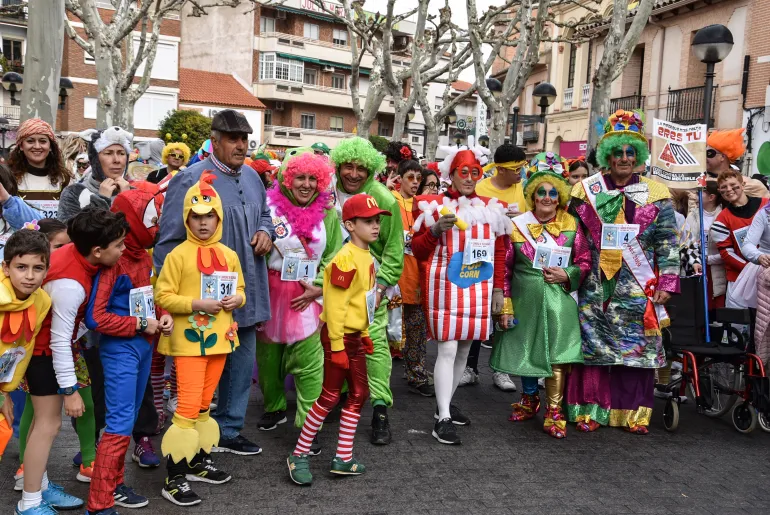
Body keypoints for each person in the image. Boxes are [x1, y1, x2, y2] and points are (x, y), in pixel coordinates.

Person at [155, 109, 274, 456]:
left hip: (244, 287)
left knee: (241, 358)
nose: (240, 146)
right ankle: (192, 431)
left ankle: (230, 429)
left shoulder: (253, 176)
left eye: (245, 139)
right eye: (233, 139)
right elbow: (167, 241)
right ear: (215, 140)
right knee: (202, 363)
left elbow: (266, 214)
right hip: (199, 298)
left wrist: (265, 231)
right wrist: (169, 299)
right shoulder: (189, 178)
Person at [565, 110, 679, 434]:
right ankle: (589, 410)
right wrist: (575, 275)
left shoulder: (657, 195)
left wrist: (668, 282)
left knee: (637, 350)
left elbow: (667, 243)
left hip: (639, 287)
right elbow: (575, 239)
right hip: (595, 285)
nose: (624, 158)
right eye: (618, 152)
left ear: (639, 155)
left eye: (631, 152)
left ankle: (631, 414)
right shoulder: (584, 191)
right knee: (592, 348)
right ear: (607, 155)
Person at [18, 208, 129, 515]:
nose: (122, 251)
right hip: (44, 354)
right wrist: (70, 390)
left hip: (47, 351)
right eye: (118, 245)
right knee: (47, 426)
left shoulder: (74, 253)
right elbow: (58, 339)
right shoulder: (70, 285)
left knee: (44, 424)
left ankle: (38, 487)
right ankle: (29, 503)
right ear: (97, 250)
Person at [155, 172, 246, 506]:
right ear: (187, 218)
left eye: (210, 216)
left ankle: (194, 461)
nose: (204, 222)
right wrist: (196, 303)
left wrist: (238, 299)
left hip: (221, 340)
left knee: (205, 404)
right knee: (189, 406)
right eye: (197, 216)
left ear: (218, 217)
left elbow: (240, 289)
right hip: (189, 343)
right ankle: (174, 476)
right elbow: (162, 295)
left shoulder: (229, 255)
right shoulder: (177, 255)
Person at [411, 145, 511, 445]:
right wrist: (435, 230)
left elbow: (501, 252)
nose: (469, 178)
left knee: (465, 350)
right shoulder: (433, 207)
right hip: (444, 286)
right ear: (450, 174)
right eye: (463, 172)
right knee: (447, 349)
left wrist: (498, 290)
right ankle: (442, 417)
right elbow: (417, 250)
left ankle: (445, 403)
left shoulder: (492, 208)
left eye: (474, 173)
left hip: (478, 286)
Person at [286, 193, 386, 485]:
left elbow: (362, 301)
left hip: (353, 337)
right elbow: (336, 306)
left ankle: (343, 457)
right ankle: (299, 454)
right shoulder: (345, 259)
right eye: (368, 221)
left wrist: (364, 334)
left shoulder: (365, 256)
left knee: (358, 394)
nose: (376, 226)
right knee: (329, 396)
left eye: (377, 220)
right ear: (350, 225)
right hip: (338, 338)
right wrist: (339, 345)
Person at [83, 189, 171, 515]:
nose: (159, 224)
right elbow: (96, 316)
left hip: (143, 347)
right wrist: (138, 325)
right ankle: (100, 503)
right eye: (153, 218)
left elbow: (148, 293)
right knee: (119, 424)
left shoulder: (141, 256)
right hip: (121, 350)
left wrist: (161, 314)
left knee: (128, 418)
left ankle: (115, 486)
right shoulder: (113, 262)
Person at [492, 154, 590, 438]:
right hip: (525, 299)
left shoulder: (571, 224)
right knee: (527, 351)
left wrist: (567, 274)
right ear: (532, 196)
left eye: (551, 193)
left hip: (560, 301)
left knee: (558, 355)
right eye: (540, 193)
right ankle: (530, 398)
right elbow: (505, 270)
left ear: (558, 197)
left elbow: (584, 261)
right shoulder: (516, 226)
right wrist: (505, 306)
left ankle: (555, 409)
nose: (546, 198)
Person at [256, 149, 342, 449]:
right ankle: (275, 406)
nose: (306, 184)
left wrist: (320, 286)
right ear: (288, 180)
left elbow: (334, 255)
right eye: (299, 178)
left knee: (310, 362)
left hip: (308, 294)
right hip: (271, 290)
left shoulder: (328, 213)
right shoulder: (267, 208)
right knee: (268, 359)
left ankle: (308, 425)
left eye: (312, 179)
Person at [329, 137, 404, 445]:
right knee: (333, 343)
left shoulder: (383, 198)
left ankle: (380, 409)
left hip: (370, 292)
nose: (354, 173)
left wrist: (380, 287)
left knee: (375, 349)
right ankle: (338, 399)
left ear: (372, 169)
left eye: (361, 168)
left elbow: (394, 251)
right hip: (332, 287)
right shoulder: (325, 194)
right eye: (349, 166)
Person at [462, 143, 528, 391]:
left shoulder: (523, 188)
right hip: (483, 257)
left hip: (516, 260)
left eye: (524, 167)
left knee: (506, 314)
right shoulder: (479, 188)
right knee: (479, 313)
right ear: (501, 169)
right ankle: (470, 368)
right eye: (518, 168)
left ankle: (501, 371)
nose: (521, 173)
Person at [0, 231, 52, 465]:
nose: (30, 276)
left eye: (37, 268)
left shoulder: (41, 301)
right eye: (21, 267)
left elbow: (24, 348)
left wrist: (5, 391)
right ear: (5, 267)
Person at [392, 159, 433, 396]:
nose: (415, 183)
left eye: (419, 178)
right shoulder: (390, 202)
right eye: (410, 178)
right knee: (385, 331)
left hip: (417, 277)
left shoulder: (425, 205)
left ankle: (416, 374)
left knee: (416, 330)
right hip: (395, 277)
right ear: (399, 179)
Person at [710, 169, 768, 310]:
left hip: (768, 276)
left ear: (742, 184)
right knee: (738, 326)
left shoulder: (766, 206)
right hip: (739, 279)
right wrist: (751, 269)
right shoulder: (721, 220)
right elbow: (726, 253)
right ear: (719, 191)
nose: (729, 190)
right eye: (724, 187)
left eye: (733, 185)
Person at [58, 127, 134, 222]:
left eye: (121, 153)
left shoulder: (137, 193)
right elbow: (70, 234)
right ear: (94, 159)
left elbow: (141, 235)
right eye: (108, 153)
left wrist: (128, 199)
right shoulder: (74, 193)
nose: (117, 160)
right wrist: (101, 200)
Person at [7, 118, 72, 220]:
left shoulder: (64, 178)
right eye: (30, 141)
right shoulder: (9, 177)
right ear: (21, 146)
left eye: (42, 141)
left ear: (50, 146)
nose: (37, 146)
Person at [706, 128, 769, 198]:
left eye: (709, 153)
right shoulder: (698, 180)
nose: (704, 157)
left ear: (722, 157)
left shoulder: (747, 183)